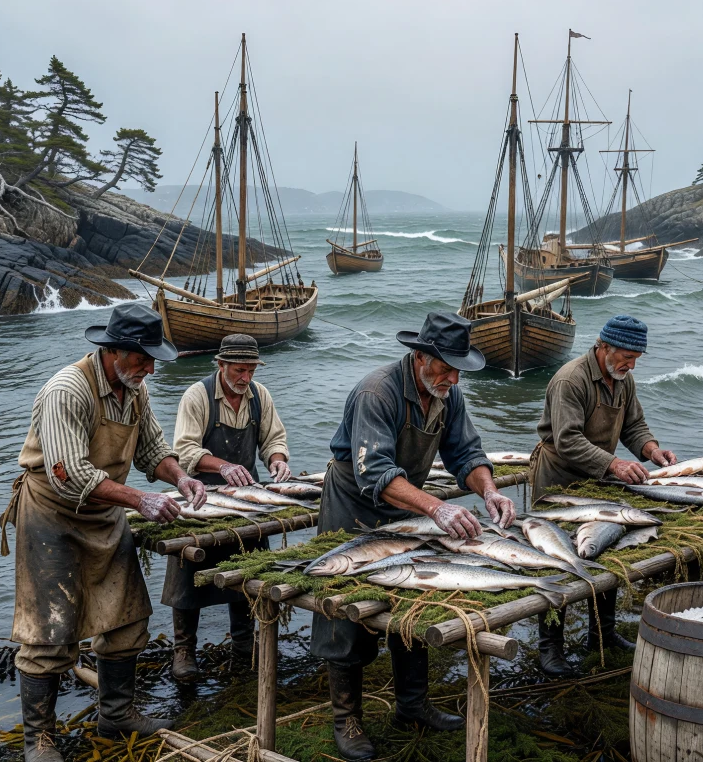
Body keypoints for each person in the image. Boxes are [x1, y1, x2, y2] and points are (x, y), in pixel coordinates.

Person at [0, 303, 208, 762]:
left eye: (154, 358)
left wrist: (181, 478)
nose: (150, 367)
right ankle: (39, 738)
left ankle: (116, 713)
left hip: (104, 513)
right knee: (48, 631)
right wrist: (140, 500)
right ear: (113, 351)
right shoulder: (67, 390)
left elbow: (153, 449)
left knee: (127, 617)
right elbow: (68, 473)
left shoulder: (135, 391)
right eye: (142, 358)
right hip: (52, 514)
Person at [311, 311, 517, 761]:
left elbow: (467, 452)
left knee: (415, 591)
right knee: (344, 604)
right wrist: (437, 507)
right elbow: (376, 472)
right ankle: (346, 717)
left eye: (459, 367)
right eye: (445, 366)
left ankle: (412, 704)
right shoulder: (377, 392)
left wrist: (489, 490)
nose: (454, 377)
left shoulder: (448, 394)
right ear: (420, 357)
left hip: (409, 508)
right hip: (354, 506)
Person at [530, 314, 676, 676]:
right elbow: (567, 440)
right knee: (557, 559)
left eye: (636, 359)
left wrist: (651, 450)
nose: (631, 364)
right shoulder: (571, 380)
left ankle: (602, 634)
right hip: (559, 481)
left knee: (606, 552)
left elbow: (634, 424)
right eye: (626, 356)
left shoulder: (623, 380)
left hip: (599, 479)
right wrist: (613, 465)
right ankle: (550, 648)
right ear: (603, 347)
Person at [167, 334, 292, 681]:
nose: (246, 378)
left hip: (246, 498)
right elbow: (186, 451)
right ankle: (184, 651)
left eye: (251, 370)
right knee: (188, 572)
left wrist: (278, 461)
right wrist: (222, 466)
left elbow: (274, 439)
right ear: (220, 365)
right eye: (239, 370)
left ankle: (243, 644)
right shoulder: (197, 396)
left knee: (248, 567)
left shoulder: (259, 396)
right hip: (200, 497)